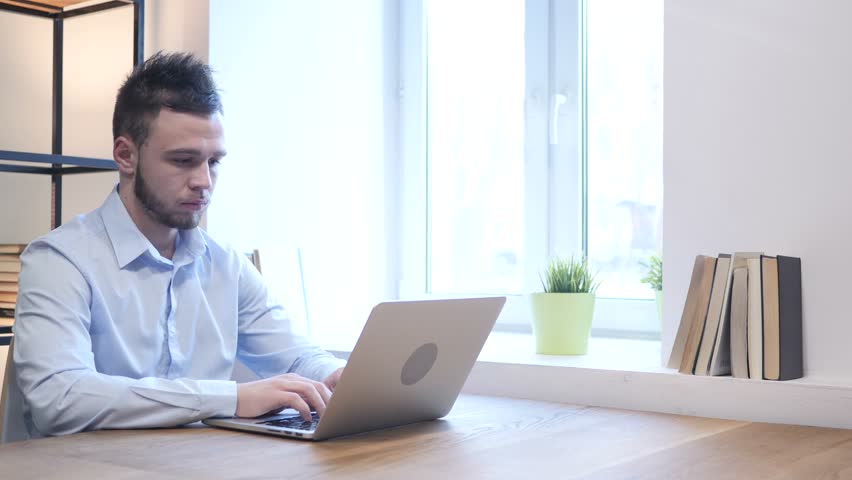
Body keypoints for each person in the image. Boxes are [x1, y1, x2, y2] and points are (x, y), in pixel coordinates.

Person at [12, 52, 344, 438]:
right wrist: (230, 398)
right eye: (184, 160)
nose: (204, 181)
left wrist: (336, 377)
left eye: (214, 162)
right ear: (126, 156)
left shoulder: (226, 265)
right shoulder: (59, 261)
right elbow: (60, 398)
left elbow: (297, 356)